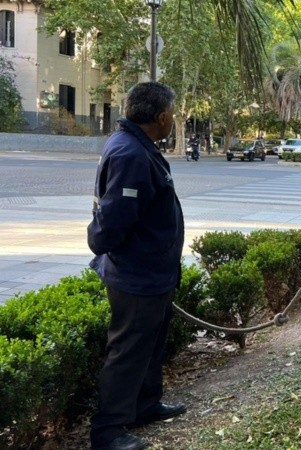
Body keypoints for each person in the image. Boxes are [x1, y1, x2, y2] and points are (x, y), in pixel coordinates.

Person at [87, 81, 187, 450]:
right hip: (136, 276)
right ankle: (108, 431)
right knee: (127, 352)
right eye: (172, 114)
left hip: (154, 274)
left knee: (150, 346)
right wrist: (100, 247)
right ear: (161, 118)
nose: (173, 120)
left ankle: (145, 405)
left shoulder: (137, 145)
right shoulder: (130, 153)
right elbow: (112, 221)